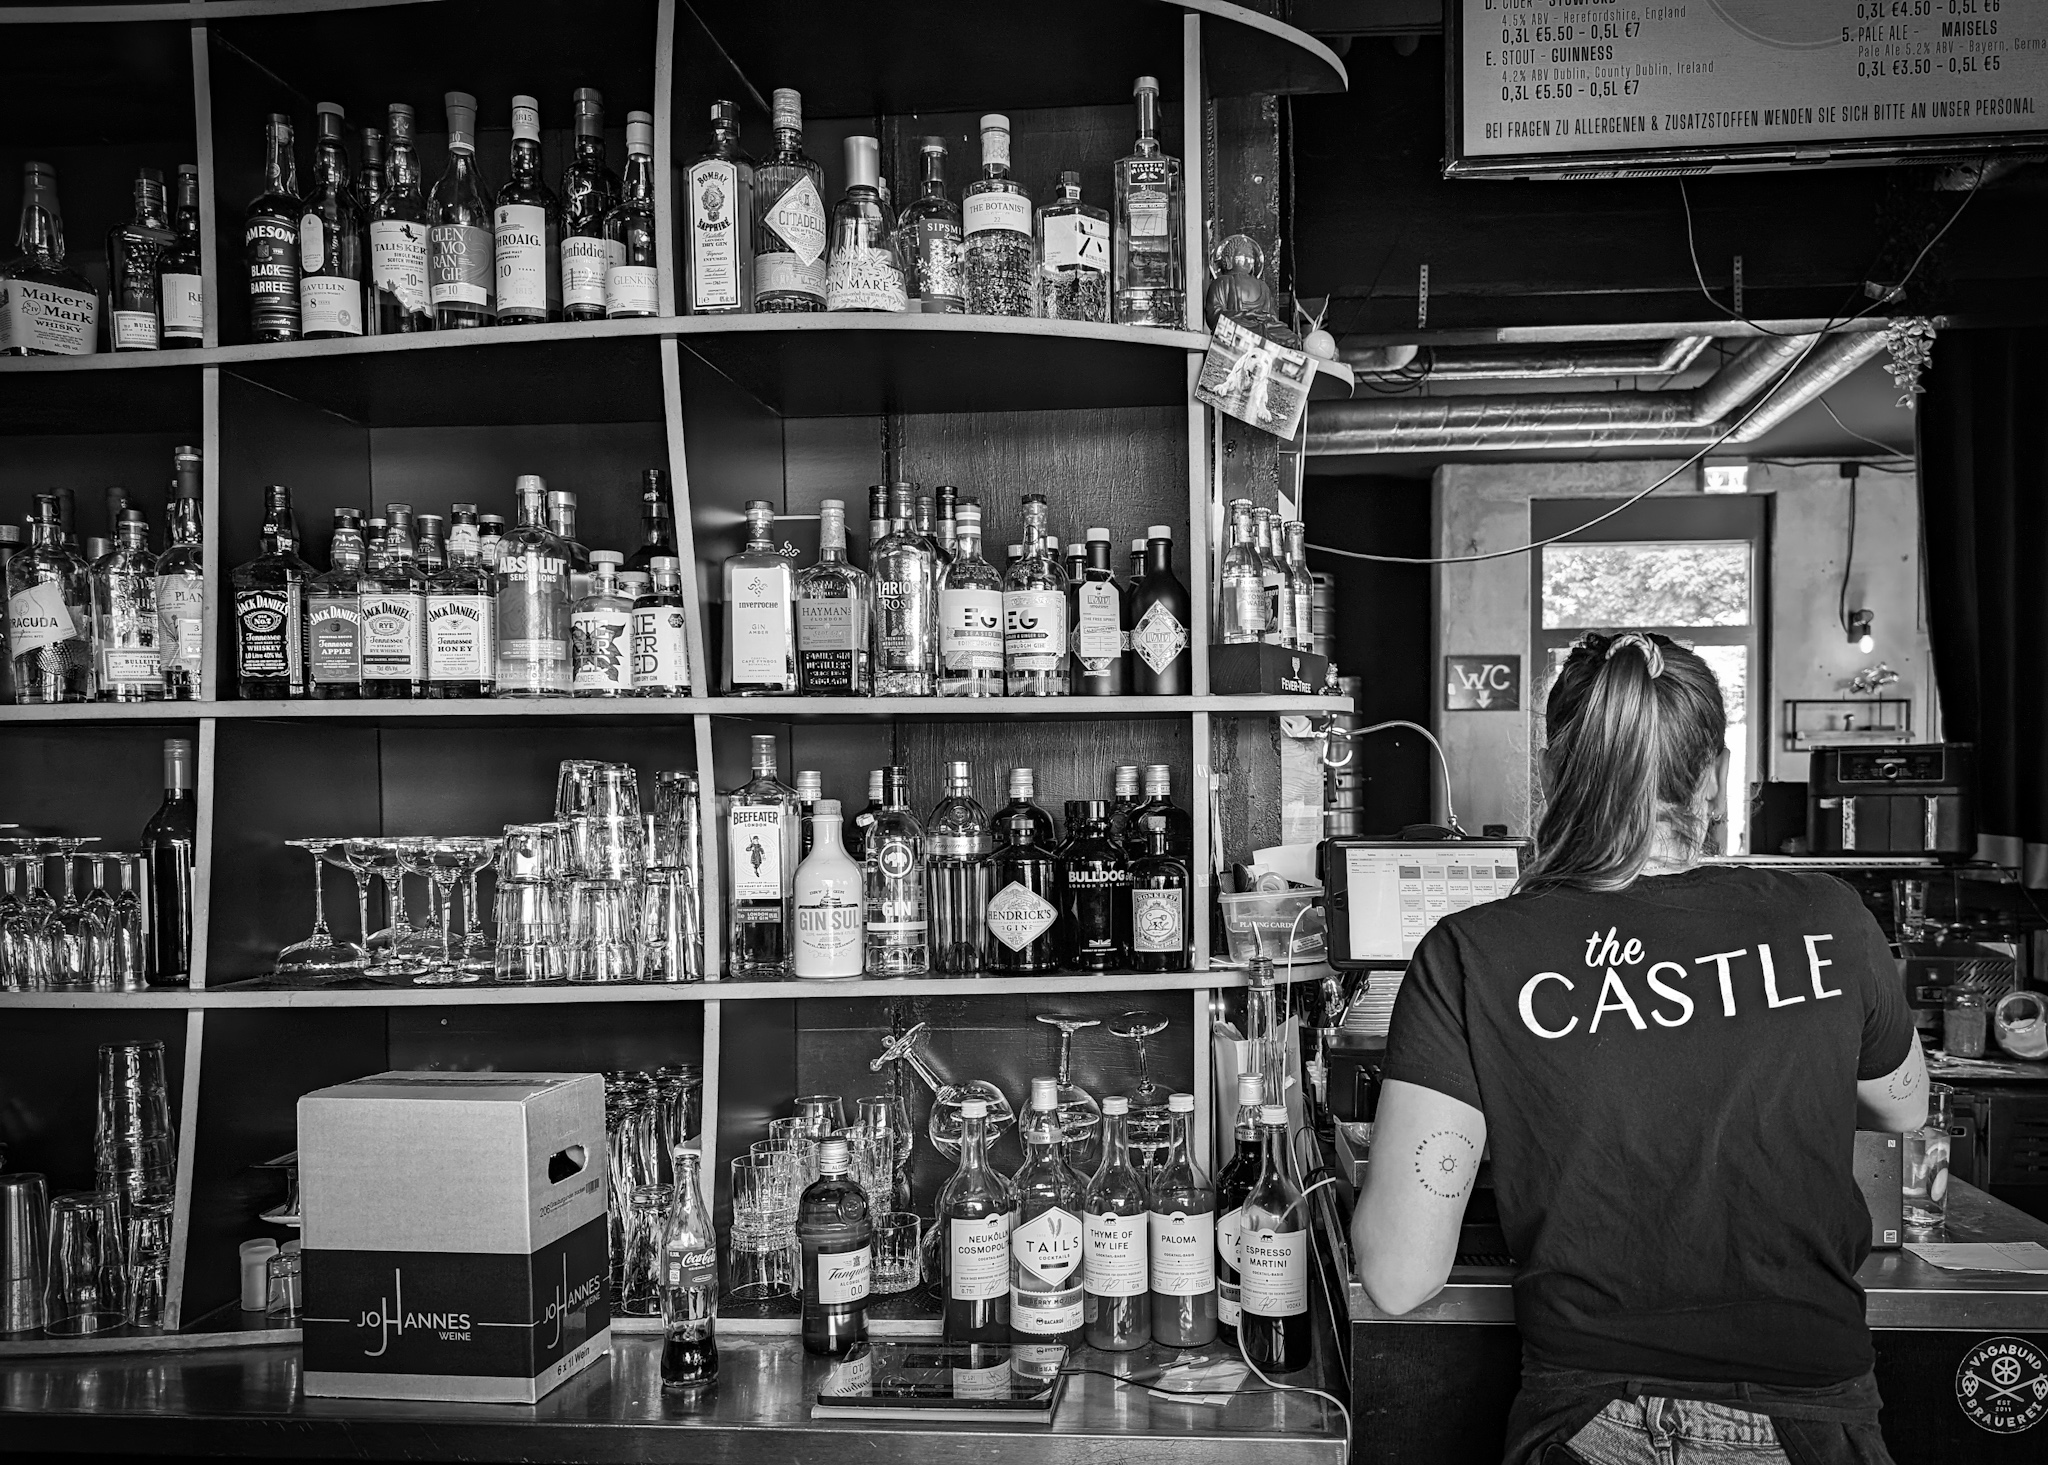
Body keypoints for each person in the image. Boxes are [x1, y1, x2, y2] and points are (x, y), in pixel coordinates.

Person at [1352, 631, 1928, 1465]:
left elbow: (1400, 1277)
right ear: (1717, 775)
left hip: (1586, 1420)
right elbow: (1902, 1104)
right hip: (1812, 1420)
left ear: (1553, 775)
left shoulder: (1473, 952)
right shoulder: (1829, 918)